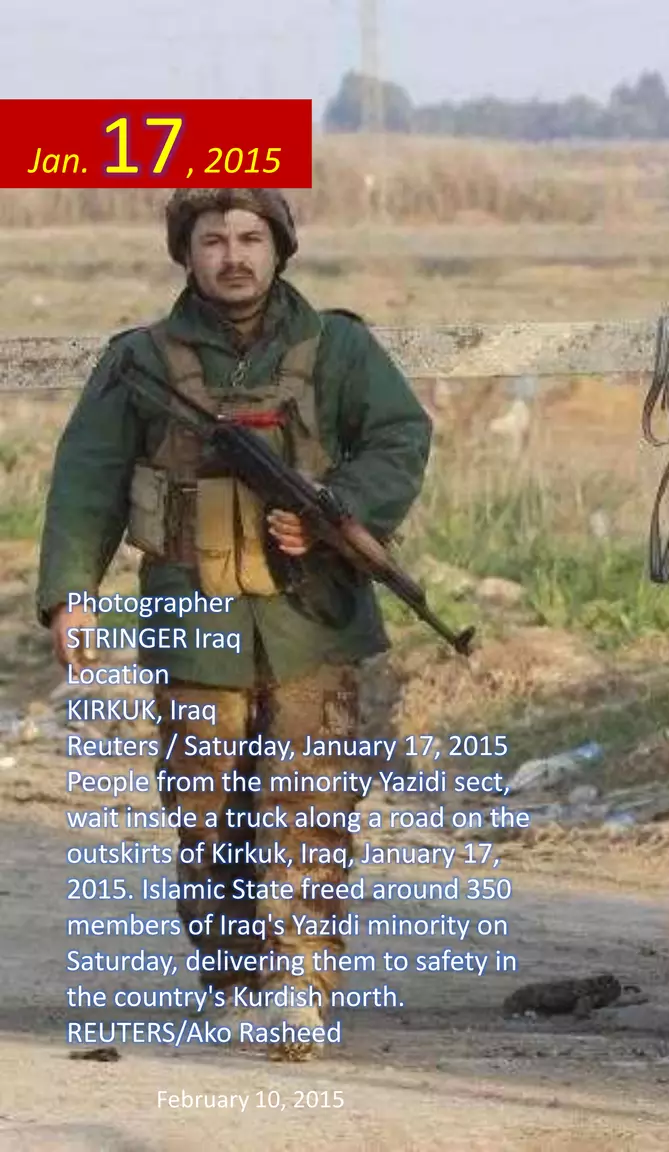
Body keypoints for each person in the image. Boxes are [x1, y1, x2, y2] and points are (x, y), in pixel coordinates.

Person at [36, 188, 434, 1062]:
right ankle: (233, 979)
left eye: (251, 237)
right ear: (186, 252)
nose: (233, 255)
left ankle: (300, 984)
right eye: (212, 239)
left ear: (280, 247)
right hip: (193, 618)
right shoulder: (137, 361)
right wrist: (72, 594)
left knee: (310, 804)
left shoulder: (341, 349)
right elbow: (86, 480)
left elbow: (400, 436)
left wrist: (338, 513)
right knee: (208, 809)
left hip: (314, 618)